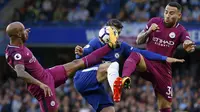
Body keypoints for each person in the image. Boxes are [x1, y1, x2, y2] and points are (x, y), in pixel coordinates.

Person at [73, 19, 184, 112]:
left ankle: (116, 88)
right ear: (106, 30)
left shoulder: (121, 46)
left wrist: (164, 58)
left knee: (109, 110)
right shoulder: (95, 42)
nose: (116, 35)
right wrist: (80, 53)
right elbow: (82, 56)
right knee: (112, 65)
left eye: (118, 33)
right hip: (82, 78)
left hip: (96, 85)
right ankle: (117, 88)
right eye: (114, 32)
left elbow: (142, 52)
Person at [4, 22, 118, 112]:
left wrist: (23, 33)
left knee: (76, 63)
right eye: (23, 30)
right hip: (42, 86)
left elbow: (20, 38)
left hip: (47, 74)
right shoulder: (15, 53)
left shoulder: (18, 44)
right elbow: (20, 73)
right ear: (18, 35)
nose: (26, 31)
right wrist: (40, 84)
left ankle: (109, 46)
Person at [113, 2, 196, 112]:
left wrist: (189, 47)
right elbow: (138, 40)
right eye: (166, 12)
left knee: (165, 106)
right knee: (135, 55)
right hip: (148, 62)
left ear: (179, 16)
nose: (167, 15)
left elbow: (188, 42)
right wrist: (149, 31)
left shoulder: (181, 30)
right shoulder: (154, 21)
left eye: (171, 13)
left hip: (163, 69)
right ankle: (124, 79)